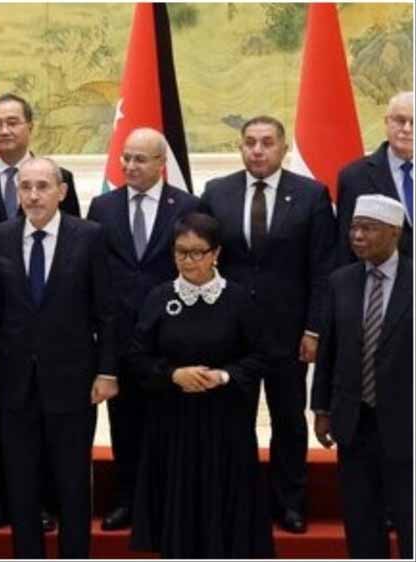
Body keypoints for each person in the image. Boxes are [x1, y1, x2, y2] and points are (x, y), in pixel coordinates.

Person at [0, 157, 116, 557]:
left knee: (72, 486)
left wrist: (107, 371)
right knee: (22, 486)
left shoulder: (90, 236)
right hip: (15, 385)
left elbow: (107, 312)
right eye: (26, 187)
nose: (33, 195)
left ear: (61, 192)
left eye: (42, 187)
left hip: (73, 384)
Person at [198, 115, 336, 533]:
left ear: (283, 149)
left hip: (288, 334)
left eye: (267, 142)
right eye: (250, 142)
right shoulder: (216, 192)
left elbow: (323, 270)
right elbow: (200, 259)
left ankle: (289, 503)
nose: (257, 150)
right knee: (229, 422)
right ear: (240, 147)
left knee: (288, 421)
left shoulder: (311, 195)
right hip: (230, 333)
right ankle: (233, 503)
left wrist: (314, 329)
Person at [0, 93, 80, 532]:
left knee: (43, 420)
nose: (5, 130)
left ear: (30, 126)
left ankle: (42, 502)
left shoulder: (58, 177)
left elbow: (73, 250)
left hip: (49, 327)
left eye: (13, 122)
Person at [126, 212, 274, 558]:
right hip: (173, 424)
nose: (188, 260)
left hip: (225, 425)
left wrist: (223, 376)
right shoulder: (159, 297)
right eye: (181, 252)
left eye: (197, 252)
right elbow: (137, 356)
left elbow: (261, 355)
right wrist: (172, 375)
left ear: (216, 253)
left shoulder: (238, 299)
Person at [85, 128, 199, 531]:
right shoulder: (103, 206)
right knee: (125, 425)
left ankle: (170, 504)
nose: (130, 166)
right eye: (126, 158)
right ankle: (128, 500)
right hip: (120, 338)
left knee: (170, 426)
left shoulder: (186, 205)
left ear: (161, 164)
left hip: (171, 338)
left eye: (140, 159)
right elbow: (94, 269)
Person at [312, 194, 412, 559]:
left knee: (409, 515)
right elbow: (329, 351)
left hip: (406, 423)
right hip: (354, 421)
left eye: (368, 228)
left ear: (394, 232)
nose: (357, 236)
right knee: (361, 520)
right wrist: (321, 409)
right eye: (354, 228)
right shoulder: (341, 281)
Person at [336, 91, 413, 265]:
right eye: (400, 120)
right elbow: (346, 245)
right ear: (386, 122)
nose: (407, 129)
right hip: (378, 278)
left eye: (413, 122)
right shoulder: (354, 176)